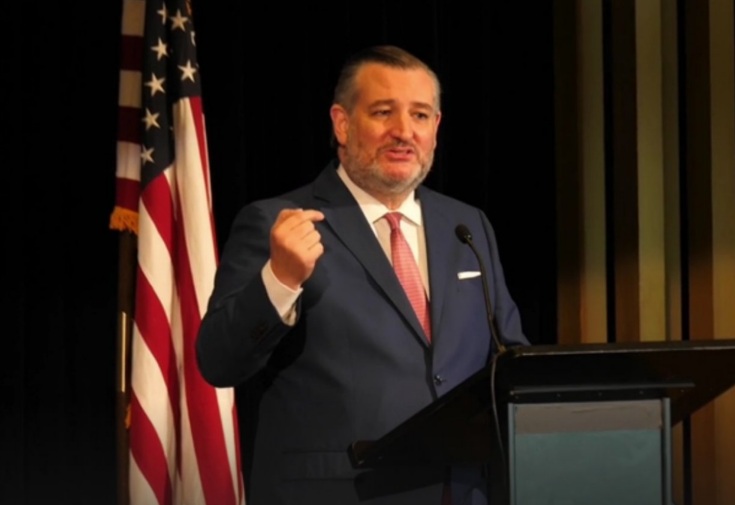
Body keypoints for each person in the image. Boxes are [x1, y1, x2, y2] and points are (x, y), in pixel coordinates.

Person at [196, 45, 529, 505]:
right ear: (342, 123)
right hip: (341, 493)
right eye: (383, 112)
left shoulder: (468, 226)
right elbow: (219, 362)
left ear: (436, 127)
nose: (404, 131)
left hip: (461, 491)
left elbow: (511, 360)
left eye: (420, 115)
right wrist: (280, 281)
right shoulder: (277, 222)